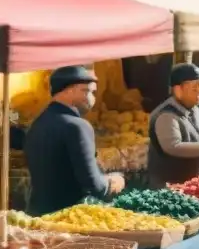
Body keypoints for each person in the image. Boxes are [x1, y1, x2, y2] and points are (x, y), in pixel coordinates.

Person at [24, 66, 126, 215]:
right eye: (87, 91)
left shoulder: (37, 123)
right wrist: (113, 182)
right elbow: (93, 184)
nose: (92, 98)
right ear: (69, 90)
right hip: (68, 219)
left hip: (37, 215)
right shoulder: (77, 126)